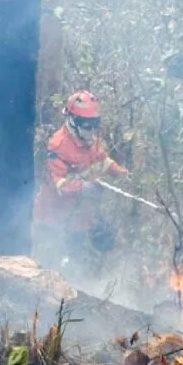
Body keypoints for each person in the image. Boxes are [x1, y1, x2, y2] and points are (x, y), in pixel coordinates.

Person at [34, 90, 129, 275]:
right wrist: (84, 188)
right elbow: (59, 184)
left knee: (104, 243)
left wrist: (119, 171)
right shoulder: (58, 145)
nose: (91, 130)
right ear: (72, 121)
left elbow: (102, 160)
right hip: (55, 218)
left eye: (94, 124)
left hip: (80, 215)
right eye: (87, 125)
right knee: (57, 265)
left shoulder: (89, 140)